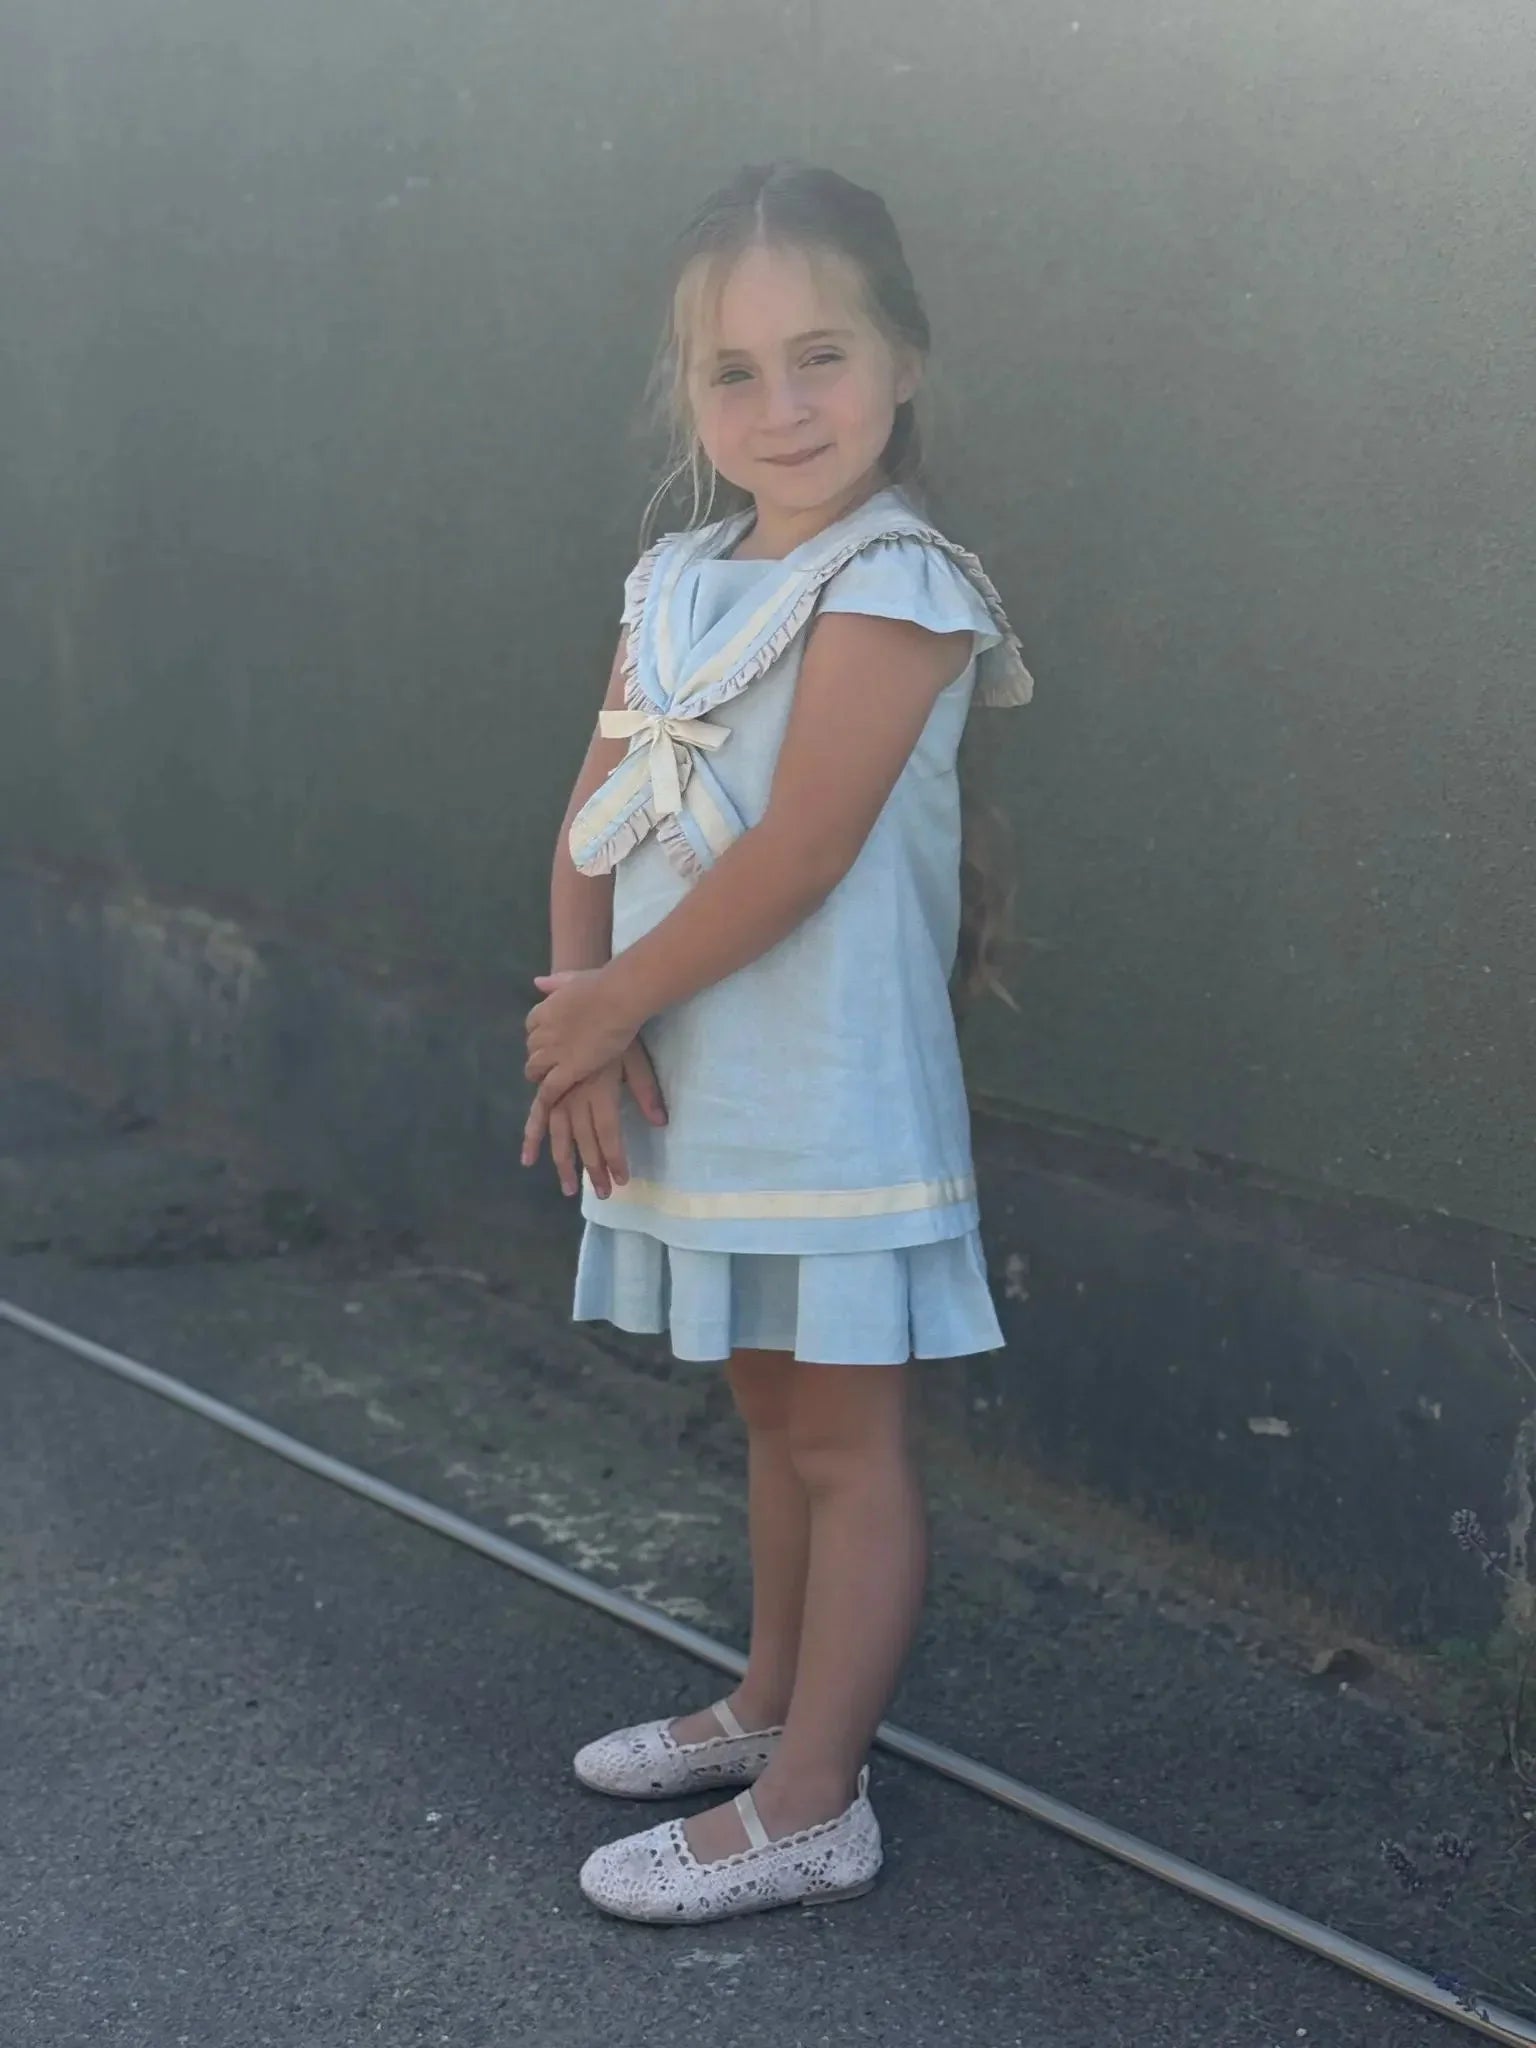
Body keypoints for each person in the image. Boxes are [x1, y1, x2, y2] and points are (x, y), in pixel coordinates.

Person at [521, 160, 1033, 1925]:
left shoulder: (900, 583)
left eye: (820, 355)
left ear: (902, 359)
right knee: (765, 1416)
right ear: (689, 394)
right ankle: (765, 1702)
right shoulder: (674, 573)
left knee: (846, 1442)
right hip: (694, 1090)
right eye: (733, 372)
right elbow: (591, 811)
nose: (782, 404)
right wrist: (570, 1024)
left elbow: (806, 853)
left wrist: (613, 1004)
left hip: (830, 1104)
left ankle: (817, 1799)